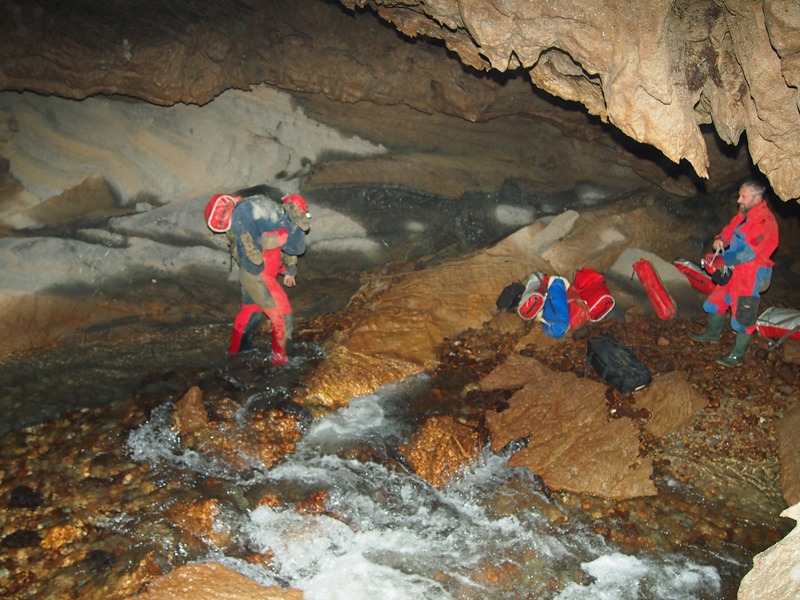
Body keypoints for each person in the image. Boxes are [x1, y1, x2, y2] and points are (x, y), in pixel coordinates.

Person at [204, 190, 311, 365]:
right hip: (259, 277)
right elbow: (270, 245)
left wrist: (288, 268)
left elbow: (278, 249)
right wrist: (283, 238)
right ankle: (282, 364)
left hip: (253, 275)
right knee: (282, 317)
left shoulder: (257, 218)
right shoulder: (246, 226)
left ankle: (235, 356)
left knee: (250, 312)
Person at [690, 180, 779, 367]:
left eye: (743, 196)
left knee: (744, 313)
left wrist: (720, 260)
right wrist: (721, 239)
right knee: (716, 301)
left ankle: (736, 357)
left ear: (756, 198)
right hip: (734, 270)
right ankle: (713, 334)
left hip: (751, 274)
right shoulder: (745, 213)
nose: (739, 200)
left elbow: (748, 252)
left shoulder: (765, 221)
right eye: (739, 195)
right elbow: (731, 229)